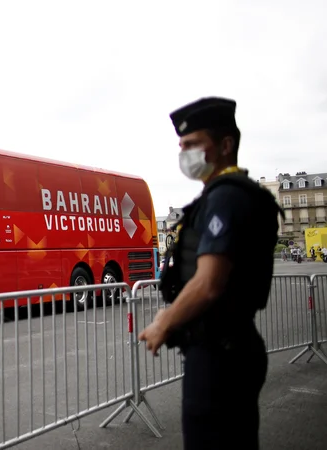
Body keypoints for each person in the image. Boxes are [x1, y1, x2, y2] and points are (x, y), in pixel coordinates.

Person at [138, 97, 282, 449]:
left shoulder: (227, 199)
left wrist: (165, 322)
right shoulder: (228, 196)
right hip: (227, 350)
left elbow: (209, 283)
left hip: (221, 358)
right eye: (181, 146)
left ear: (225, 145)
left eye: (192, 144)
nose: (184, 153)